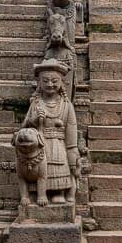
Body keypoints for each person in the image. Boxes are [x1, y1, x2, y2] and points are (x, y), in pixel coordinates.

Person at [22, 58, 80, 204]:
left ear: (61, 83)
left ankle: (58, 191)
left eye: (54, 81)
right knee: (38, 167)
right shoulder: (35, 103)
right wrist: (34, 119)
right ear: (39, 83)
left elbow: (71, 130)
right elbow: (24, 128)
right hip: (39, 144)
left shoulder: (66, 106)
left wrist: (72, 150)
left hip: (58, 144)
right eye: (45, 81)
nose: (50, 84)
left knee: (59, 164)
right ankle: (38, 192)